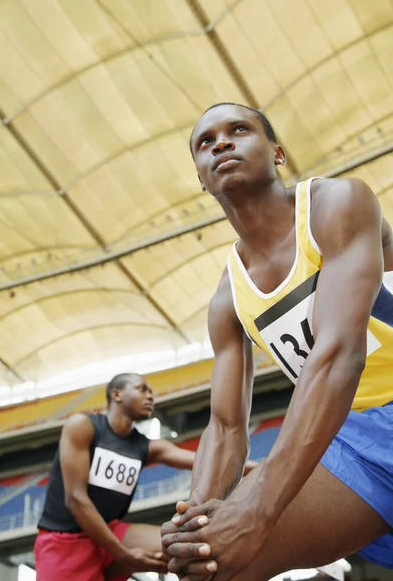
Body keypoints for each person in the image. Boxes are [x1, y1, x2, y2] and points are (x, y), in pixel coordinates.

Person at [161, 102, 393, 581]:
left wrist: (258, 509)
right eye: (205, 142)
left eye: (239, 130)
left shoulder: (337, 203)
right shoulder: (228, 299)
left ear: (278, 152)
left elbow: (336, 356)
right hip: (348, 436)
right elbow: (226, 428)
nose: (221, 142)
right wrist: (195, 518)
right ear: (201, 180)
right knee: (206, 561)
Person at [34, 371, 258, 580]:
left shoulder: (146, 446)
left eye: (151, 391)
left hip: (109, 531)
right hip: (63, 541)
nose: (150, 396)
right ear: (117, 394)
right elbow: (75, 499)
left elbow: (206, 461)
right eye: (142, 389)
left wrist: (263, 467)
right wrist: (123, 555)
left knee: (190, 546)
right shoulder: (82, 426)